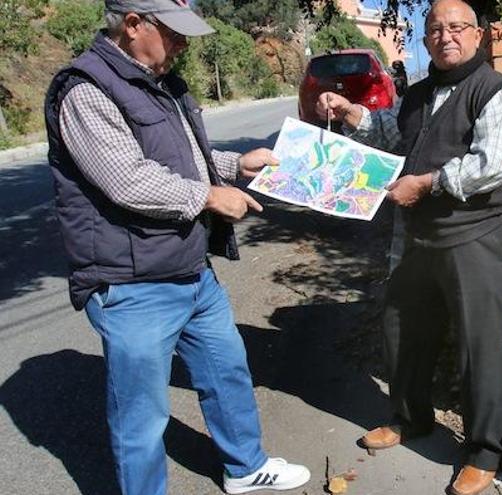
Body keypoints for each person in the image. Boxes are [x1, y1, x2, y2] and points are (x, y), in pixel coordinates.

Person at [43, 1, 310, 494]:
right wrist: (210, 196)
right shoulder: (86, 89)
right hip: (131, 284)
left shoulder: (161, 79)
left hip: (189, 270)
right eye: (174, 33)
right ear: (133, 25)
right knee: (141, 417)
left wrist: (233, 166)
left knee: (227, 371)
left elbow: (185, 157)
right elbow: (127, 180)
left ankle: (246, 468)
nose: (184, 44)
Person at [316, 0, 502, 493]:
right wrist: (352, 113)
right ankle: (411, 418)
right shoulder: (420, 91)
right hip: (419, 238)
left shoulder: (495, 93)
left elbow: (493, 165)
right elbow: (394, 132)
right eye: (435, 29)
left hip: (478, 236)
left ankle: (484, 451)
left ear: (478, 35)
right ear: (425, 39)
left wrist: (427, 183)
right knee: (402, 330)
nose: (445, 35)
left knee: (481, 347)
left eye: (457, 27)